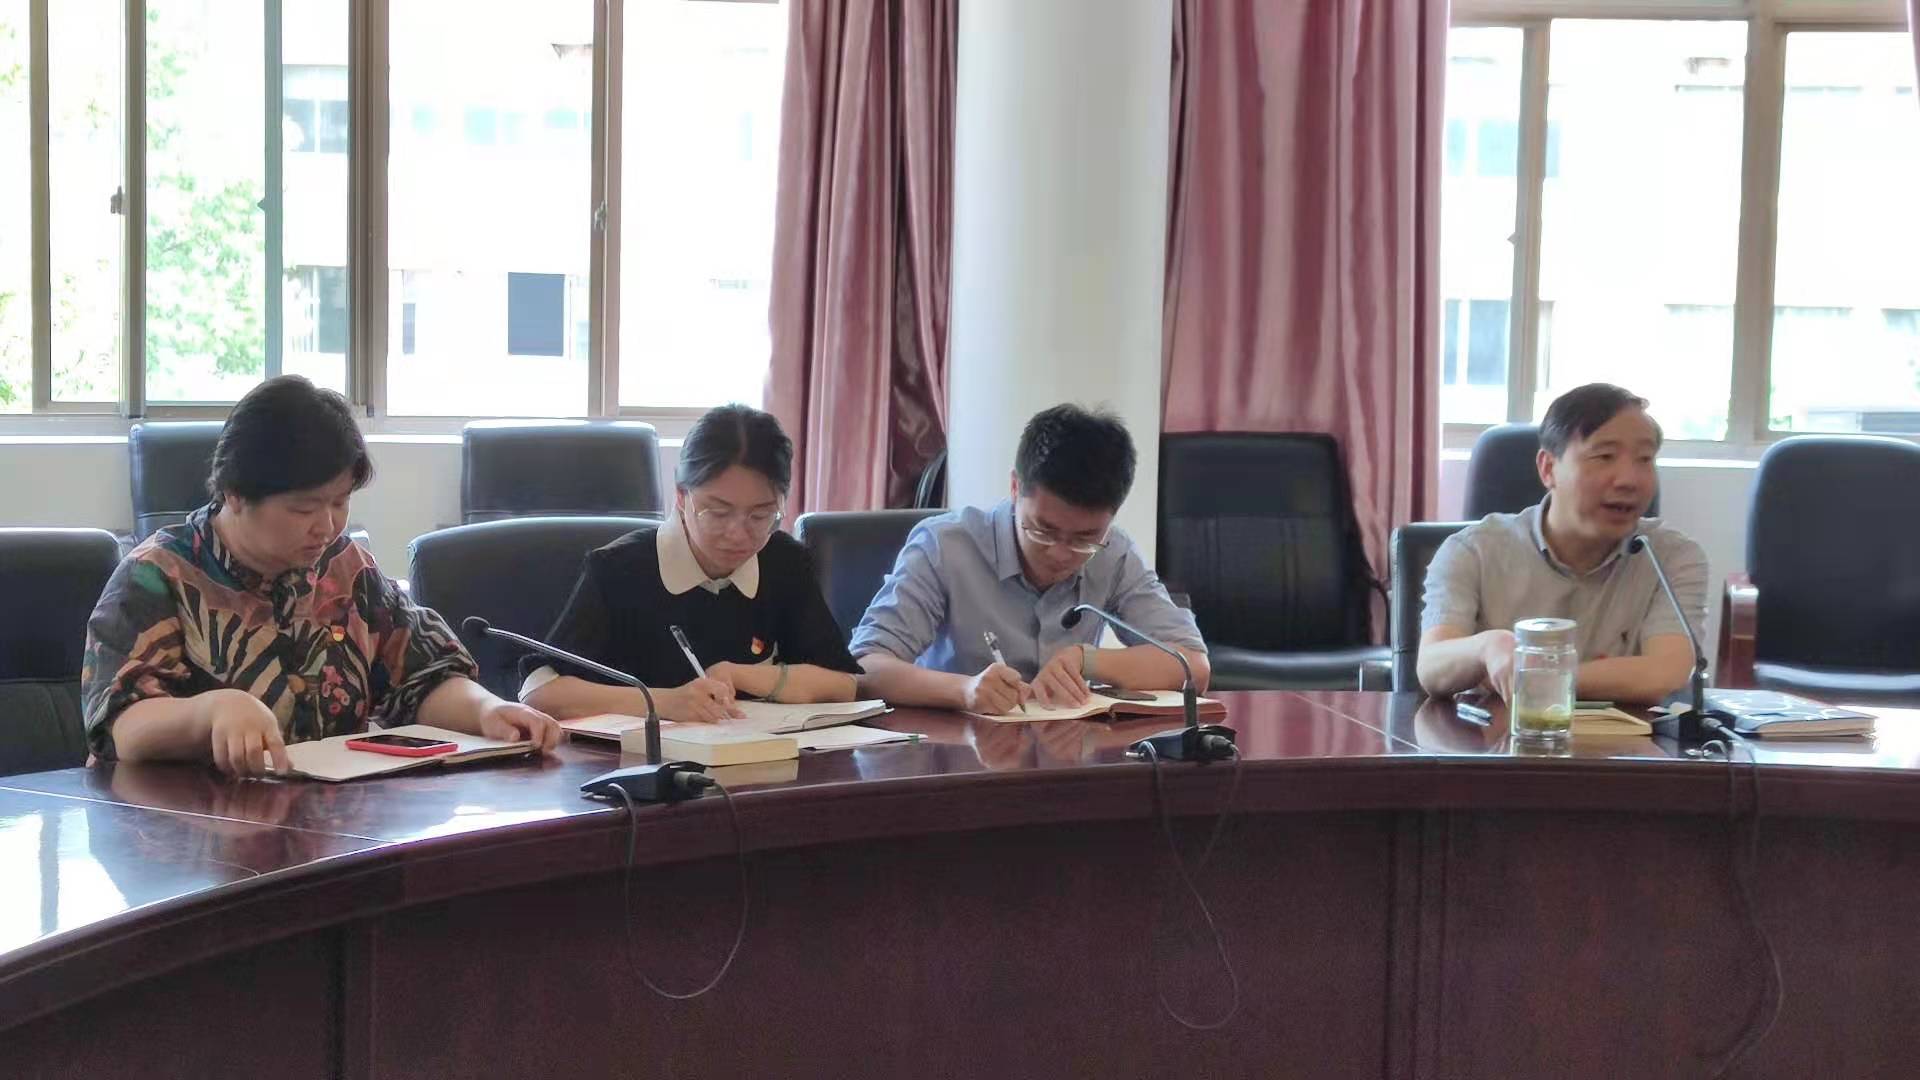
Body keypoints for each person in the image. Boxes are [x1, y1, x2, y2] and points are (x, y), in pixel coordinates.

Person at [81, 376, 561, 777]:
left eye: (340, 502)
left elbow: (423, 677)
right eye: (303, 508)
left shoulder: (345, 567)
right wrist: (211, 711)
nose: (327, 526)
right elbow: (123, 726)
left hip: (327, 822)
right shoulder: (157, 576)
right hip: (183, 829)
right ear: (234, 493)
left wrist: (486, 710)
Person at [852, 403, 1208, 713]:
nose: (1060, 553)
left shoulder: (1114, 553)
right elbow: (865, 668)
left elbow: (1193, 665)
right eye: (1043, 531)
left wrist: (1087, 659)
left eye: (1084, 539)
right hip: (955, 753)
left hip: (1064, 754)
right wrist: (964, 691)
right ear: (1014, 488)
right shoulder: (945, 546)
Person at [521, 404, 860, 723]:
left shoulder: (784, 561)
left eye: (760, 515)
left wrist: (739, 674)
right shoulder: (618, 569)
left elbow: (842, 685)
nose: (738, 534)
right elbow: (541, 692)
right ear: (681, 496)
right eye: (718, 512)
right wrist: (664, 703)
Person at [1417, 383, 1707, 705]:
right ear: (1548, 468)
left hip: (1624, 738)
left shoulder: (1672, 556)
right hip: (1495, 734)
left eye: (1644, 459)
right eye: (1604, 456)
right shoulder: (1474, 551)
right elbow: (1431, 666)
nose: (1629, 480)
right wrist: (1486, 647)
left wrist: (1531, 675)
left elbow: (1666, 673)